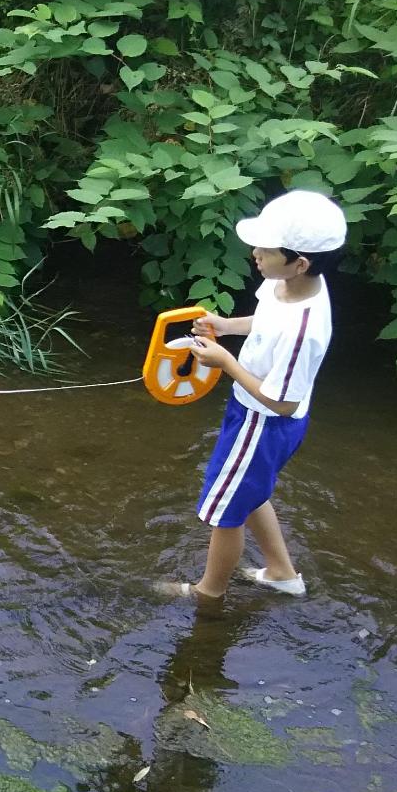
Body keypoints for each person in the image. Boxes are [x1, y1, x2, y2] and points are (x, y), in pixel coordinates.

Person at [162, 189, 347, 605]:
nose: (256, 255)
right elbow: (265, 323)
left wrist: (225, 362)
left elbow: (281, 401)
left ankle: (208, 594)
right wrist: (226, 326)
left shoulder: (305, 329)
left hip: (266, 421)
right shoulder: (283, 285)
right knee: (249, 491)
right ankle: (282, 573)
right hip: (254, 414)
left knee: (225, 514)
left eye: (266, 249)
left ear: (300, 263)